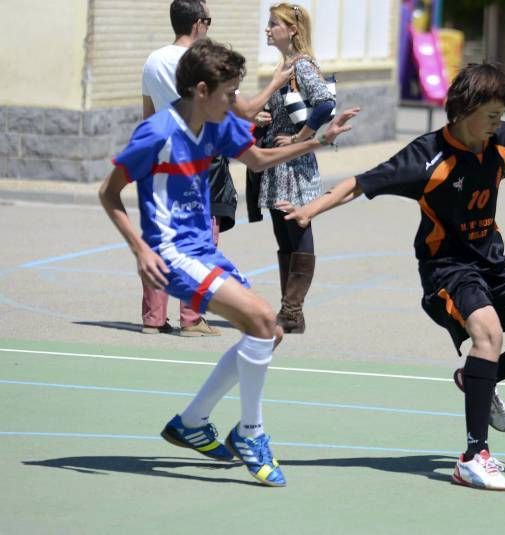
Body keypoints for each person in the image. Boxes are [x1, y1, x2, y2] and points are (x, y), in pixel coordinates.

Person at [277, 63, 505, 491]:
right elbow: (359, 184)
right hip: (447, 269)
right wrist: (309, 211)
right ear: (464, 110)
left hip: (494, 265)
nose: (499, 122)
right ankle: (475, 456)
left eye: (501, 114)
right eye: (492, 114)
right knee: (488, 332)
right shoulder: (426, 157)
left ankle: (476, 378)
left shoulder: (503, 141)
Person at [99, 38, 359, 486]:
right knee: (262, 319)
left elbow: (258, 159)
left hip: (202, 248)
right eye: (230, 93)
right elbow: (109, 193)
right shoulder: (157, 134)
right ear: (201, 90)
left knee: (270, 333)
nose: (237, 102)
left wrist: (318, 140)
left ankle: (192, 421)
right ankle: (251, 433)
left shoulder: (217, 124)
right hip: (171, 252)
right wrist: (140, 249)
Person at [140, 0, 292, 337]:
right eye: (208, 20)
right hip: (198, 160)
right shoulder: (202, 64)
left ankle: (153, 318)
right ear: (196, 24)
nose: (209, 27)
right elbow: (248, 109)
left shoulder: (152, 61)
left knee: (162, 237)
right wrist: (276, 82)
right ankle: (192, 318)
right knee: (198, 240)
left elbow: (148, 117)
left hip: (162, 156)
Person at [245, 2, 336, 334]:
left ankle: (292, 310)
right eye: (268, 23)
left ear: (292, 30)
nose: (268, 29)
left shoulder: (302, 66)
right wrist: (262, 118)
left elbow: (325, 103)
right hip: (276, 166)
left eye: (274, 24)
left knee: (298, 233)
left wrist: (301, 135)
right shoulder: (283, 66)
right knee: (284, 238)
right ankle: (291, 312)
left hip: (293, 168)